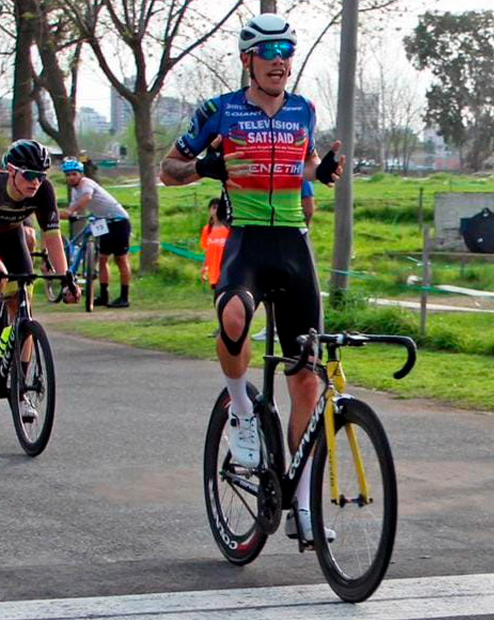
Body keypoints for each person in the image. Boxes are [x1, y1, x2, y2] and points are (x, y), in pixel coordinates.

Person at [159, 12, 344, 543]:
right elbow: (168, 170)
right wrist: (203, 168)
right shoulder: (219, 110)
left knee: (306, 377)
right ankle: (241, 412)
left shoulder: (305, 110)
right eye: (269, 53)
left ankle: (303, 505)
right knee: (233, 313)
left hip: (293, 246)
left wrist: (320, 171)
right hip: (246, 242)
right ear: (248, 60)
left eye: (286, 51)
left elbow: (304, 166)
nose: (279, 61)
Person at [0, 139, 80, 418]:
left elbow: (53, 238)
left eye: (42, 176)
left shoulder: (44, 191)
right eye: (30, 175)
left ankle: (21, 388)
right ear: (11, 170)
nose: (36, 182)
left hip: (11, 235)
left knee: (24, 296)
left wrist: (65, 279)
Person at [60, 157, 132, 308]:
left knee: (121, 259)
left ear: (80, 174)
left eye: (74, 174)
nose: (71, 177)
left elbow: (87, 198)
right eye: (67, 175)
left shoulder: (87, 184)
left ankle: (124, 297)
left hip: (119, 221)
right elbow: (75, 205)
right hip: (103, 222)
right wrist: (67, 214)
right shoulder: (75, 190)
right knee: (102, 259)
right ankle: (104, 296)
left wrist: (70, 211)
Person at [200, 197, 229, 290]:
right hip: (214, 274)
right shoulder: (207, 229)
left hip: (228, 272)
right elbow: (208, 252)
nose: (217, 210)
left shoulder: (229, 229)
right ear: (210, 210)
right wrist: (204, 268)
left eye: (219, 207)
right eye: (214, 207)